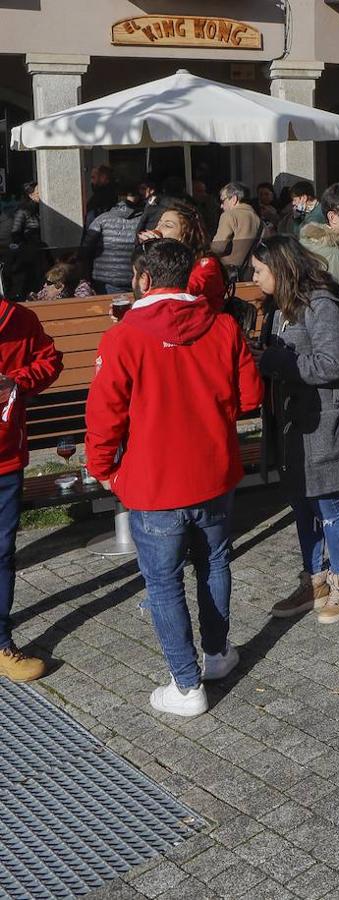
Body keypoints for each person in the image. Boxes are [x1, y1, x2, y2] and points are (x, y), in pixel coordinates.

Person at [84, 239, 263, 716]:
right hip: (213, 469)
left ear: (143, 278)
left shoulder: (124, 335)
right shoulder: (222, 325)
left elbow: (104, 415)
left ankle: (186, 685)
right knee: (214, 563)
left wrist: (101, 467)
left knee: (164, 582)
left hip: (154, 479)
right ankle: (217, 652)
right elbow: (249, 396)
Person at [252, 236, 339, 623]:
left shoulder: (321, 303)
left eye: (258, 271)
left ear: (279, 268)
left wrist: (276, 360)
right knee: (302, 503)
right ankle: (314, 579)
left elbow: (332, 363)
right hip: (293, 423)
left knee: (329, 504)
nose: (254, 278)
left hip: (325, 419)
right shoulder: (278, 307)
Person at [0, 292, 62, 682]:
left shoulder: (19, 320)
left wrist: (17, 381)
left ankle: (1, 641)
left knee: (2, 551)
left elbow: (50, 360)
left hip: (5, 457)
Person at [140, 199, 227, 311]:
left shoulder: (206, 264)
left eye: (167, 225)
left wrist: (161, 251)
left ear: (185, 235)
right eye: (159, 223)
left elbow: (181, 294)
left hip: (203, 324)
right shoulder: (162, 262)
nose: (158, 230)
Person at [83, 182, 142, 294]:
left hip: (105, 279)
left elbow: (86, 248)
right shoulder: (144, 220)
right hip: (136, 278)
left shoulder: (102, 219)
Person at [211, 182, 262, 278]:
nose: (221, 206)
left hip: (231, 273)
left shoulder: (229, 215)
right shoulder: (257, 218)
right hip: (253, 272)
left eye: (223, 200)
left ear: (234, 199)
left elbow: (218, 247)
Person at [6, 182, 45, 299]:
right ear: (31, 195)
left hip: (39, 252)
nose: (41, 196)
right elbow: (15, 233)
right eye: (38, 193)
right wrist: (24, 245)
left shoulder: (40, 211)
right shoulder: (22, 212)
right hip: (27, 254)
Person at [28, 260, 95, 302]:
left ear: (61, 286)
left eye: (49, 283)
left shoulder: (82, 289)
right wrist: (33, 300)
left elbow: (80, 307)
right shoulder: (45, 291)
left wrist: (56, 300)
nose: (44, 285)